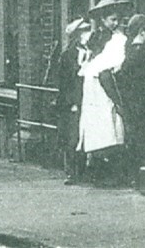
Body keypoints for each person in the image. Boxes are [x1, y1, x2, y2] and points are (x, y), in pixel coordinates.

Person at [76, 0, 130, 186]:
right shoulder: (95, 39)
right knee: (98, 130)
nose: (115, 24)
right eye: (111, 20)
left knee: (110, 130)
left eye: (117, 20)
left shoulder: (118, 40)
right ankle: (99, 171)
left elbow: (114, 64)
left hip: (104, 89)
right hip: (94, 90)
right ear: (103, 20)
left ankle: (110, 173)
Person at [117, 13, 145, 185]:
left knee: (134, 139)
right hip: (144, 105)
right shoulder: (143, 53)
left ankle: (133, 176)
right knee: (144, 139)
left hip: (132, 104)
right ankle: (141, 177)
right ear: (142, 32)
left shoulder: (129, 52)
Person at [56, 18, 92, 184]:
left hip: (89, 100)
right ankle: (72, 171)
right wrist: (71, 103)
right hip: (73, 102)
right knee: (73, 136)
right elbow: (64, 83)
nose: (87, 34)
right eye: (84, 31)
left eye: (88, 30)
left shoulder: (92, 52)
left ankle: (85, 170)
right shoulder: (68, 56)